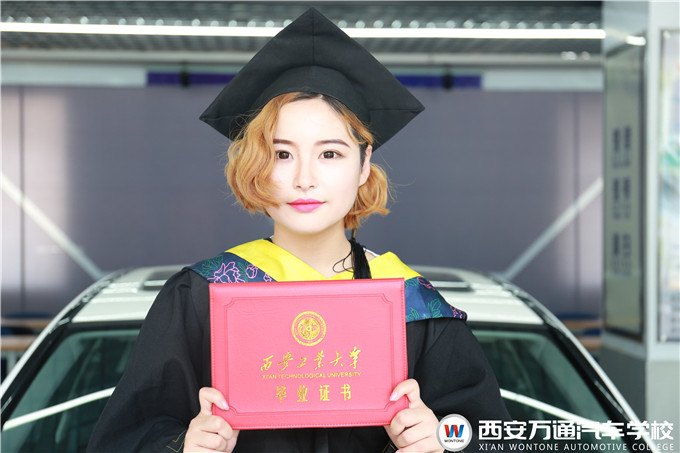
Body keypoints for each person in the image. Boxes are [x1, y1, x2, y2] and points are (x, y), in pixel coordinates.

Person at [87, 8, 510, 453]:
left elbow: (487, 434)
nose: (305, 179)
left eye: (330, 154)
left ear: (364, 164)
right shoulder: (199, 298)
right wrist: (183, 447)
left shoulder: (414, 306)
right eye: (282, 154)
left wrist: (441, 441)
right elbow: (126, 436)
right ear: (256, 165)